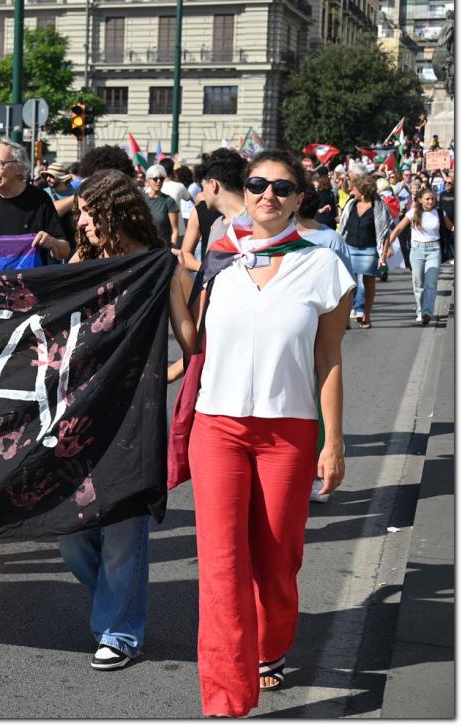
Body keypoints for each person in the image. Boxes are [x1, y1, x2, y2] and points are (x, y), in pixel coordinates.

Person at [189, 149, 353, 717]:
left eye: (282, 189)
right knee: (221, 562)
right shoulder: (218, 261)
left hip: (289, 432)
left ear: (299, 200)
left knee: (277, 562)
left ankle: (271, 644)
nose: (267, 195)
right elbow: (194, 344)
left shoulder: (324, 265)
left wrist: (334, 442)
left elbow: (328, 359)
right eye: (258, 184)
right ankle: (227, 698)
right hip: (218, 428)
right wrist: (159, 279)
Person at [60, 169, 196, 671]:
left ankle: (119, 632)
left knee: (121, 530)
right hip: (75, 415)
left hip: (131, 420)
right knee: (69, 533)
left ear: (115, 209)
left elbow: (191, 343)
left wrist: (163, 375)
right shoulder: (84, 261)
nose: (85, 222)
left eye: (91, 212)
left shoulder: (161, 266)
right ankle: (113, 604)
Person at [0, 138, 71, 262]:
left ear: (18, 167)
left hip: (30, 280)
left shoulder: (40, 199)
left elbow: (64, 251)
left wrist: (52, 242)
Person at [383, 187, 453, 326]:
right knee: (418, 283)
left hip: (434, 250)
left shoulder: (439, 212)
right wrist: (386, 247)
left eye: (432, 198)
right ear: (420, 200)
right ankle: (420, 311)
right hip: (416, 251)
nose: (431, 201)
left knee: (431, 283)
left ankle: (427, 312)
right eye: (427, 199)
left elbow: (451, 227)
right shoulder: (413, 212)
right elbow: (397, 229)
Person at [337, 174, 392, 329]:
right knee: (349, 285)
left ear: (363, 189)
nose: (350, 189)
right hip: (350, 248)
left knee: (368, 282)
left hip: (369, 249)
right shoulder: (351, 204)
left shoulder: (378, 206)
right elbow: (343, 225)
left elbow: (385, 232)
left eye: (354, 187)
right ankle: (346, 319)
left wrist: (384, 254)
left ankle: (367, 315)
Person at [143, 164, 181, 247]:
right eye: (155, 178)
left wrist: (172, 251)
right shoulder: (142, 199)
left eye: (162, 178)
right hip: (145, 248)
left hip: (163, 249)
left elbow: (175, 230)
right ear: (148, 180)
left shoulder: (168, 201)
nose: (159, 181)